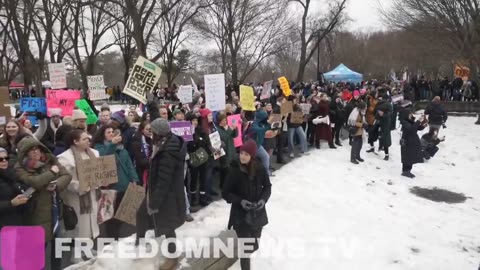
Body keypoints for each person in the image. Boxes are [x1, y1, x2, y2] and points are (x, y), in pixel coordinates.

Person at [136, 118, 186, 270]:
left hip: (166, 196)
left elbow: (164, 180)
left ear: (159, 134)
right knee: (141, 214)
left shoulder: (167, 153)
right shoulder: (167, 142)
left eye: (153, 132)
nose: (151, 134)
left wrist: (155, 202)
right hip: (162, 193)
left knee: (167, 227)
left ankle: (172, 258)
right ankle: (139, 245)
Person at [14, 137, 72, 270]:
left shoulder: (50, 159)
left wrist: (56, 185)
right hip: (37, 213)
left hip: (56, 210)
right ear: (24, 153)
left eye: (37, 148)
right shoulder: (20, 167)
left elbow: (66, 175)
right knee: (38, 249)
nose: (35, 152)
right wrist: (52, 173)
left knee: (57, 249)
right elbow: (35, 182)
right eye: (31, 150)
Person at [222, 140, 272, 270]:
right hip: (240, 215)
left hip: (257, 212)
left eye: (246, 154)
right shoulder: (234, 170)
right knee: (246, 247)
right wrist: (240, 201)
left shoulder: (260, 168)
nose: (242, 156)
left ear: (252, 156)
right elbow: (225, 193)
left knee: (254, 244)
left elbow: (267, 186)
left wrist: (263, 200)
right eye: (241, 153)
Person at [57, 130, 100, 266]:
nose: (88, 141)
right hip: (76, 197)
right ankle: (76, 255)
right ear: (75, 142)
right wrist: (79, 186)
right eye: (84, 139)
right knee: (79, 227)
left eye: (88, 138)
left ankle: (87, 249)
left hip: (92, 194)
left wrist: (101, 179)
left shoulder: (94, 153)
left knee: (91, 225)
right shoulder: (64, 158)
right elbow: (65, 180)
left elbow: (99, 171)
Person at [93, 125, 139, 239]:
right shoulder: (99, 148)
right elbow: (104, 159)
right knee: (110, 215)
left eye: (113, 131)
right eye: (108, 132)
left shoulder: (122, 148)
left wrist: (134, 179)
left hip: (124, 184)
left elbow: (129, 164)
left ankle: (120, 236)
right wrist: (112, 144)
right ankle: (112, 237)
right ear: (102, 135)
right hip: (111, 187)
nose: (111, 133)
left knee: (123, 213)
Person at [0, 147, 29, 229]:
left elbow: (21, 186)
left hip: (17, 220)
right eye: (0, 159)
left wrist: (26, 193)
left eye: (6, 158)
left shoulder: (12, 173)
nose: (4, 161)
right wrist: (11, 203)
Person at [399, 108, 428, 178]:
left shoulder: (409, 121)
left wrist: (423, 125)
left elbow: (416, 127)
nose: (411, 115)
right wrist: (418, 121)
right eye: (409, 114)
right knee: (408, 156)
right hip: (408, 141)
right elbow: (411, 129)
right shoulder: (404, 122)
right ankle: (406, 171)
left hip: (411, 141)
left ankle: (407, 170)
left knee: (410, 156)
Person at [216, 112, 238, 188]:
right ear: (220, 121)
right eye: (223, 120)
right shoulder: (217, 129)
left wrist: (235, 128)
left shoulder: (227, 127)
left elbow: (235, 135)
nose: (225, 121)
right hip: (224, 153)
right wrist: (230, 129)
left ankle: (227, 185)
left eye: (225, 120)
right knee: (225, 170)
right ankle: (223, 186)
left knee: (231, 170)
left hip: (231, 151)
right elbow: (223, 138)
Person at [130, 120, 153, 187]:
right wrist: (152, 160)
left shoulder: (151, 140)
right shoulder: (137, 142)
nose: (149, 131)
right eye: (147, 129)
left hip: (149, 171)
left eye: (151, 129)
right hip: (140, 172)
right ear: (142, 130)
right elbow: (141, 161)